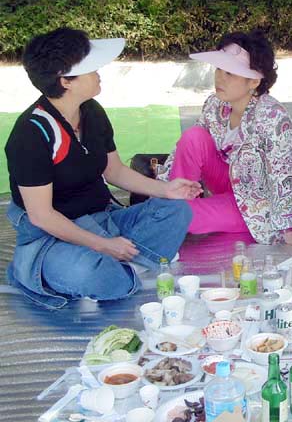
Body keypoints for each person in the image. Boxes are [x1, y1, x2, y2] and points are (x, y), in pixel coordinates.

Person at [5, 28, 200, 309]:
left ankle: (120, 268)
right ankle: (116, 267)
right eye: (91, 68)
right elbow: (42, 216)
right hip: (53, 237)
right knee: (89, 272)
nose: (99, 73)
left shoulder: (91, 111)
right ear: (65, 81)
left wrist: (166, 189)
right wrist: (102, 244)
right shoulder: (31, 134)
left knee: (177, 210)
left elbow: (114, 171)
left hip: (103, 219)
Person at [157, 30, 292, 245]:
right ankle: (173, 201)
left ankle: (170, 214)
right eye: (219, 69)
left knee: (181, 217)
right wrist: (162, 188)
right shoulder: (214, 104)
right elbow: (186, 151)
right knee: (193, 137)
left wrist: (289, 230)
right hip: (225, 181)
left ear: (254, 81)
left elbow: (284, 175)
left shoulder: (274, 119)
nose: (220, 77)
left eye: (230, 73)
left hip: (255, 202)